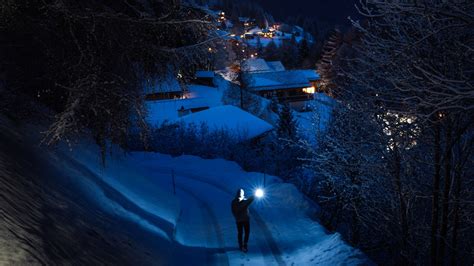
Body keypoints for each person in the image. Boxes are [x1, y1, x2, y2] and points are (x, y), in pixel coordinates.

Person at [231, 188, 254, 252]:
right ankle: (243, 245)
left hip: (242, 220)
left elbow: (233, 211)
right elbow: (247, 202)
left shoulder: (235, 201)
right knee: (244, 232)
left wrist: (236, 217)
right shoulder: (240, 201)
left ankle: (242, 244)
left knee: (242, 233)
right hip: (243, 220)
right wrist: (253, 196)